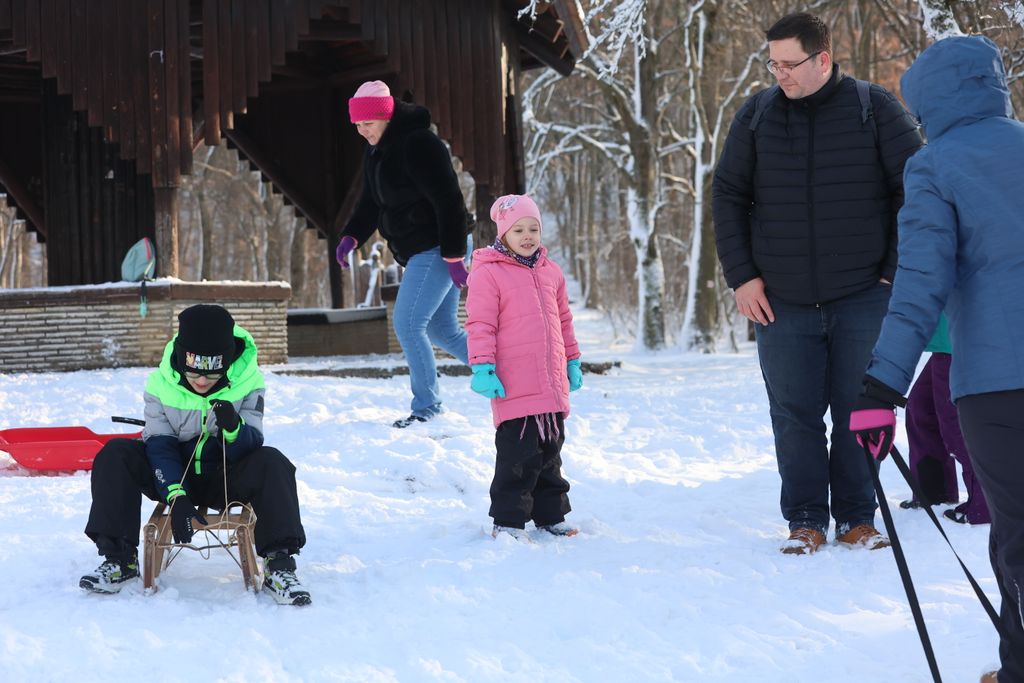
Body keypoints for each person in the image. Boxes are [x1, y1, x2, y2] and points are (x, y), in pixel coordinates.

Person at [711, 12, 924, 555]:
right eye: (772, 64)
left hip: (863, 295)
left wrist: (892, 272)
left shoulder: (875, 108)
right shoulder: (756, 115)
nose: (778, 73)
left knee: (859, 410)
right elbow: (728, 195)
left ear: (822, 59)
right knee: (794, 416)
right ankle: (805, 519)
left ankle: (856, 518)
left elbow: (915, 191)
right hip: (780, 301)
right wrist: (742, 277)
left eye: (789, 63)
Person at [849, 36, 1024, 683]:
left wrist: (880, 388)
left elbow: (920, 283)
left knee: (1019, 536)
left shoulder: (935, 166)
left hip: (998, 388)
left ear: (925, 104)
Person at [80, 304, 311, 606]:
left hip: (225, 476)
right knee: (115, 453)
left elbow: (253, 443)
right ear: (181, 358)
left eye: (211, 374)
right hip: (173, 474)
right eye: (193, 372)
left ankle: (279, 564)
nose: (201, 381)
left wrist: (234, 429)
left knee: (273, 461)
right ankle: (120, 560)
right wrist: (176, 495)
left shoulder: (249, 381)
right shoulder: (160, 384)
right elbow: (159, 445)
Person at [337, 80, 471, 428]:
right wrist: (352, 236)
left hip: (440, 245)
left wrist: (454, 255)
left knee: (408, 324)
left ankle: (428, 408)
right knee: (442, 330)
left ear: (385, 117)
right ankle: (510, 373)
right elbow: (371, 202)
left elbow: (449, 200)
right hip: (425, 250)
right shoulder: (376, 151)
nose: (362, 131)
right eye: (357, 125)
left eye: (367, 123)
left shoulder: (420, 144)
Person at [466, 194, 583, 540]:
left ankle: (551, 516)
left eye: (534, 228)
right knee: (517, 457)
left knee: (550, 455)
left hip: (550, 382)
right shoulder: (488, 273)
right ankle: (508, 522)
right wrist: (482, 367)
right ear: (503, 234)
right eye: (519, 230)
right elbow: (480, 324)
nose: (528, 236)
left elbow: (564, 320)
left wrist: (573, 360)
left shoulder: (551, 272)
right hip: (514, 383)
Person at [901, 314, 990, 525]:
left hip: (961, 337)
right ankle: (934, 492)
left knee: (955, 424)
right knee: (921, 407)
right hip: (943, 339)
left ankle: (984, 506)